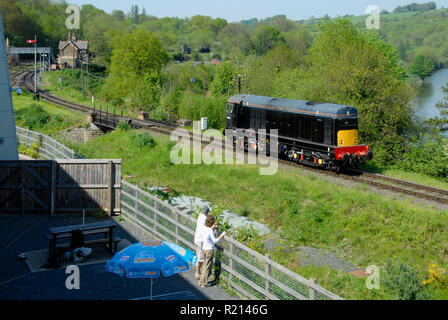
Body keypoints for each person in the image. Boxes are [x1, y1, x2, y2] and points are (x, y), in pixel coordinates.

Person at [199, 215, 226, 288]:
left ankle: (201, 281)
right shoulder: (210, 231)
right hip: (209, 250)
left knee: (204, 265)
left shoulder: (204, 228)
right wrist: (222, 235)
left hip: (204, 249)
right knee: (207, 267)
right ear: (212, 223)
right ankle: (204, 283)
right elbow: (215, 241)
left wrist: (213, 228)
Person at [194, 206, 209, 280]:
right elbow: (206, 228)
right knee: (200, 259)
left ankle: (199, 273)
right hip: (200, 240)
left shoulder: (200, 216)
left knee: (199, 257)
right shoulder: (204, 218)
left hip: (196, 239)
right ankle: (197, 273)